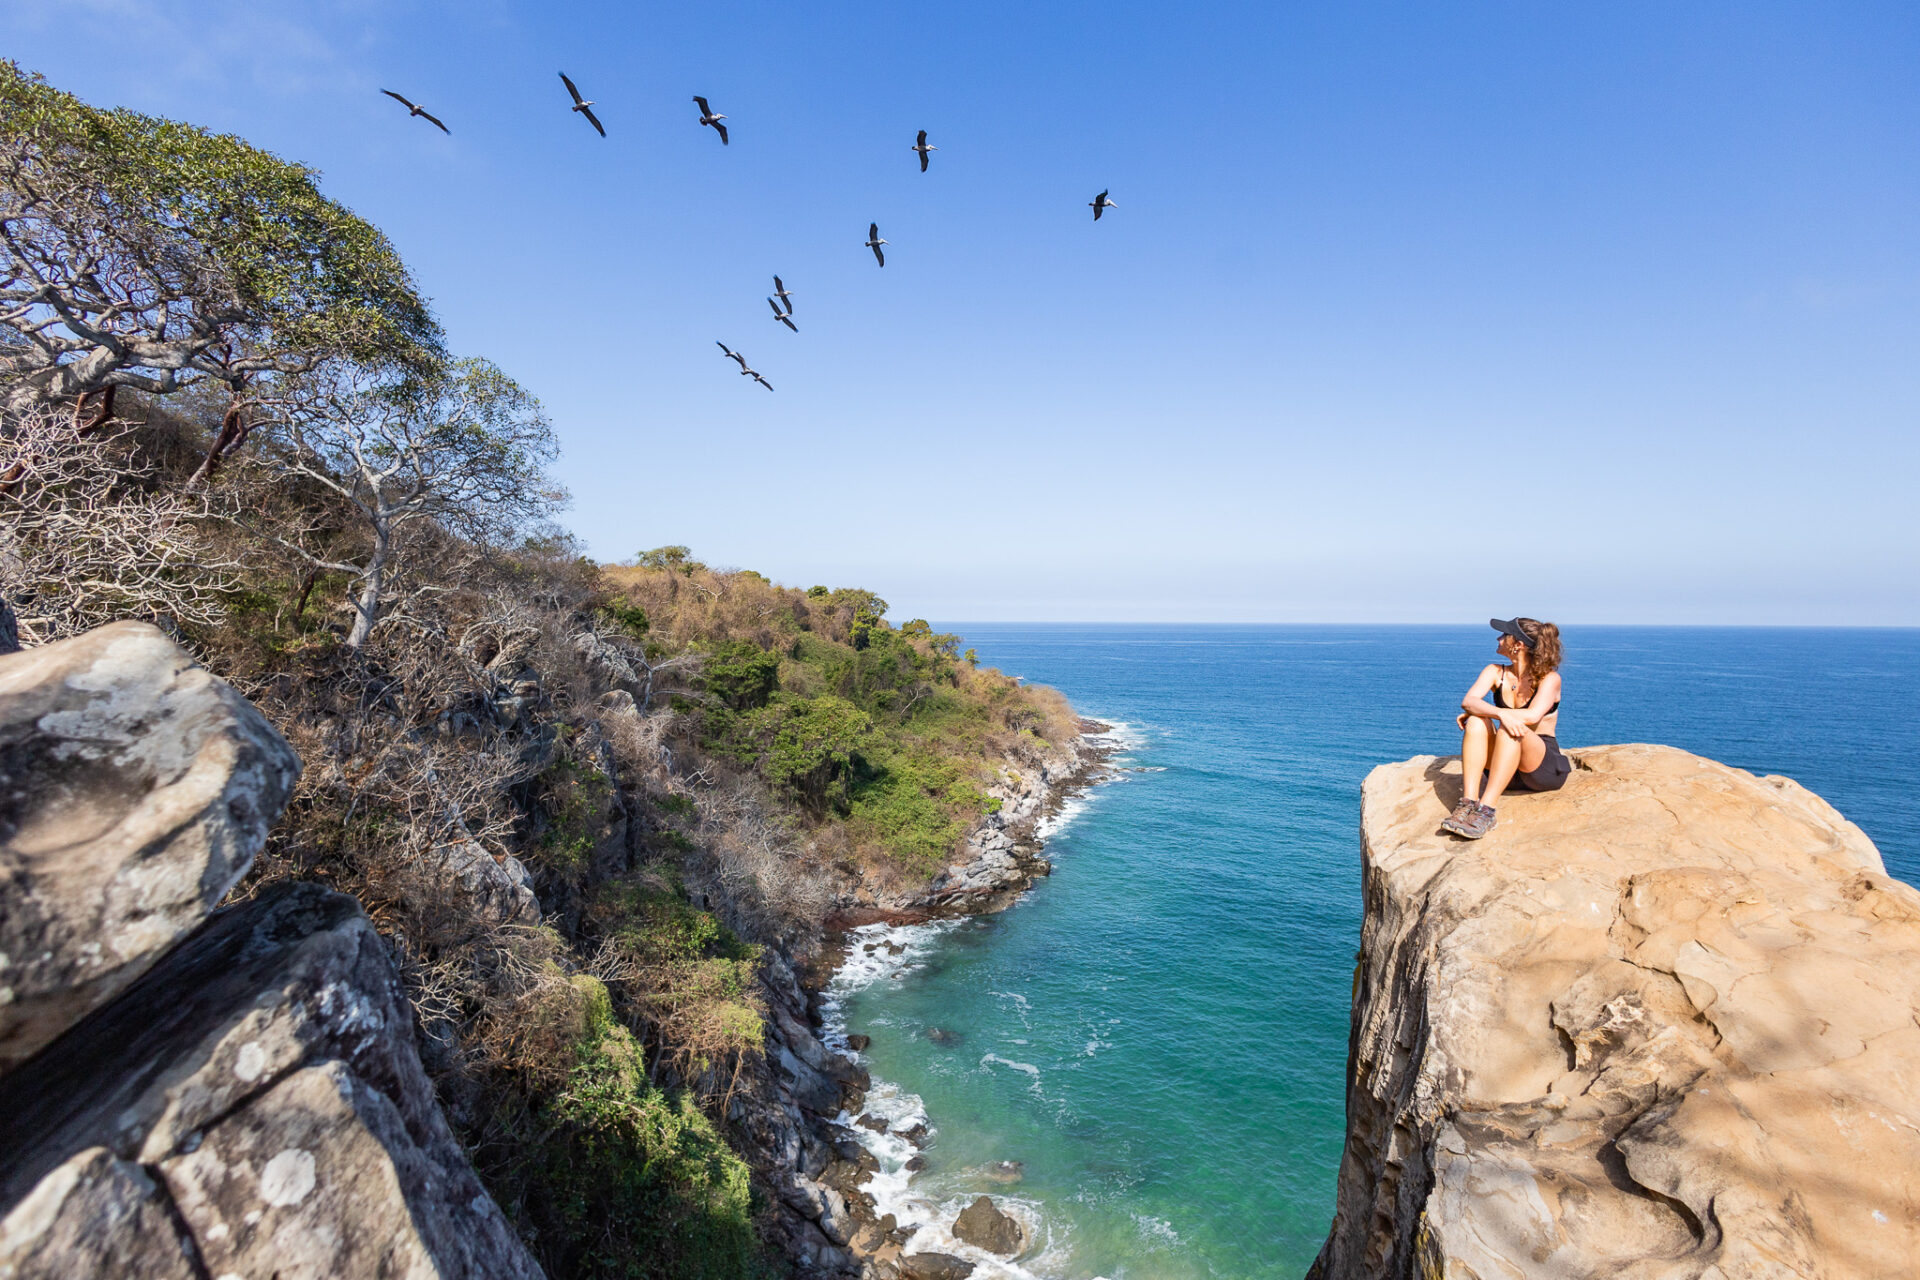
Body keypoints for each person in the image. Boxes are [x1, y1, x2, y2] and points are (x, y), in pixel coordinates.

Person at [1442, 617, 1568, 839]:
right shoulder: (1494, 671)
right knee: (1475, 721)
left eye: (1504, 635)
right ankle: (1468, 803)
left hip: (1540, 767)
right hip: (1504, 768)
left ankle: (1487, 811)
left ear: (1517, 644)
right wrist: (1494, 713)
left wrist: (1487, 711)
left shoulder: (1550, 679)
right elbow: (1469, 701)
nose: (1499, 638)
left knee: (1512, 728)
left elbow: (1533, 715)